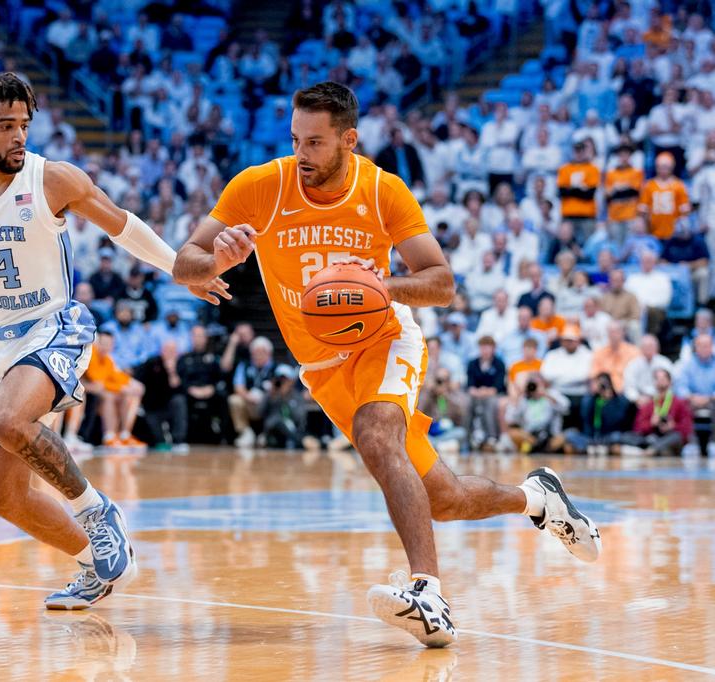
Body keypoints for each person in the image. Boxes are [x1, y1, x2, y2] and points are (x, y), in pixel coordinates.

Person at [171, 81, 600, 648]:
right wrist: (215, 260)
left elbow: (442, 283)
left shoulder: (382, 191)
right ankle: (538, 499)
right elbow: (185, 262)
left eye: (317, 143)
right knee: (442, 499)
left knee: (379, 436)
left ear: (349, 139)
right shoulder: (260, 186)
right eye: (297, 139)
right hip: (321, 366)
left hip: (385, 338)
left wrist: (383, 285)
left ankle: (430, 595)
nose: (302, 154)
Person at [0, 66, 225, 610]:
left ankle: (99, 513)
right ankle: (94, 564)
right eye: (5, 126)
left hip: (56, 325)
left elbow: (123, 224)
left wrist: (180, 268)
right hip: (0, 338)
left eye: (24, 124)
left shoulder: (52, 178)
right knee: (0, 496)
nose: (19, 136)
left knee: (9, 421)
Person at [83, 330, 147, 450]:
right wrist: (122, 388)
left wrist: (131, 383)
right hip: (86, 390)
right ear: (97, 343)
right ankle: (109, 436)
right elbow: (98, 381)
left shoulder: (108, 359)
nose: (106, 347)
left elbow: (116, 376)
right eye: (104, 343)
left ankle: (124, 435)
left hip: (99, 389)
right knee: (110, 396)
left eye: (109, 344)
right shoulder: (91, 354)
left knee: (130, 396)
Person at [134, 340, 188, 453]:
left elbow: (180, 388)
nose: (170, 354)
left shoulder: (181, 364)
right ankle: (160, 439)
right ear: (161, 351)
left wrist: (171, 371)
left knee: (179, 401)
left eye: (173, 351)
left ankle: (178, 441)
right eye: (167, 350)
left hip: (169, 406)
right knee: (158, 441)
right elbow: (138, 381)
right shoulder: (151, 362)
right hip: (152, 407)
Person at [626, 368, 693, 456]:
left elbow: (688, 428)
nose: (660, 381)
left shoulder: (679, 403)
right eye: (657, 379)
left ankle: (652, 450)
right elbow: (638, 427)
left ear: (670, 382)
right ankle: (657, 450)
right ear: (654, 382)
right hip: (653, 437)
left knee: (676, 437)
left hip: (671, 438)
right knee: (632, 436)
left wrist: (673, 426)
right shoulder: (648, 404)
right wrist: (651, 423)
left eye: (663, 379)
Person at [569, 373, 635, 455]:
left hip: (608, 435)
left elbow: (615, 420)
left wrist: (610, 401)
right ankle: (591, 448)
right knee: (570, 434)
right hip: (590, 436)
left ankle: (592, 449)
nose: (602, 388)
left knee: (617, 436)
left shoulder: (618, 400)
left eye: (605, 384)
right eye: (600, 385)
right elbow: (585, 415)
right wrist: (593, 394)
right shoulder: (591, 399)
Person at [228, 336, 275, 448]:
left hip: (267, 403)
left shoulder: (276, 367)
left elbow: (283, 388)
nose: (257, 356)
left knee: (277, 401)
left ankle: (267, 434)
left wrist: (266, 396)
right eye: (255, 353)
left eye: (261, 353)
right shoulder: (244, 366)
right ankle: (245, 432)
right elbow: (238, 387)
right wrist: (247, 396)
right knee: (234, 399)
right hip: (250, 402)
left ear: (268, 353)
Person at [505, 373, 570, 454]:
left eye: (537, 383)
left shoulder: (552, 394)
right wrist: (517, 398)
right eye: (532, 383)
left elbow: (566, 408)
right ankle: (537, 446)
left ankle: (543, 448)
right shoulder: (524, 398)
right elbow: (510, 419)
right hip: (530, 435)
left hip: (550, 435)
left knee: (564, 438)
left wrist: (546, 395)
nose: (535, 386)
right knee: (513, 433)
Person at [676, 334, 715, 456]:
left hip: (712, 401)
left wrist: (709, 397)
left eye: (706, 346)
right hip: (692, 401)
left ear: (711, 347)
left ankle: (712, 443)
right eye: (701, 346)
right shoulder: (686, 365)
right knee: (680, 406)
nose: (704, 349)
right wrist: (691, 397)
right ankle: (690, 443)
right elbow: (680, 387)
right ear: (695, 347)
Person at [466, 336, 506, 451]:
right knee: (467, 403)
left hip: (493, 395)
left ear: (493, 349)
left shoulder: (499, 364)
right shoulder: (473, 363)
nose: (485, 351)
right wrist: (478, 392)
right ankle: (467, 436)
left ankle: (491, 436)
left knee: (490, 403)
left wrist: (485, 391)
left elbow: (497, 387)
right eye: (483, 348)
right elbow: (470, 386)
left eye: (488, 348)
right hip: (476, 394)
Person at [622, 334, 674, 404]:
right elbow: (629, 387)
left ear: (657, 348)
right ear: (641, 348)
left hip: (662, 399)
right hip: (639, 401)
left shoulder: (665, 363)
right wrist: (637, 398)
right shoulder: (633, 365)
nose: (648, 349)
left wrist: (658, 397)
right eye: (645, 347)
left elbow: (671, 385)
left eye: (651, 346)